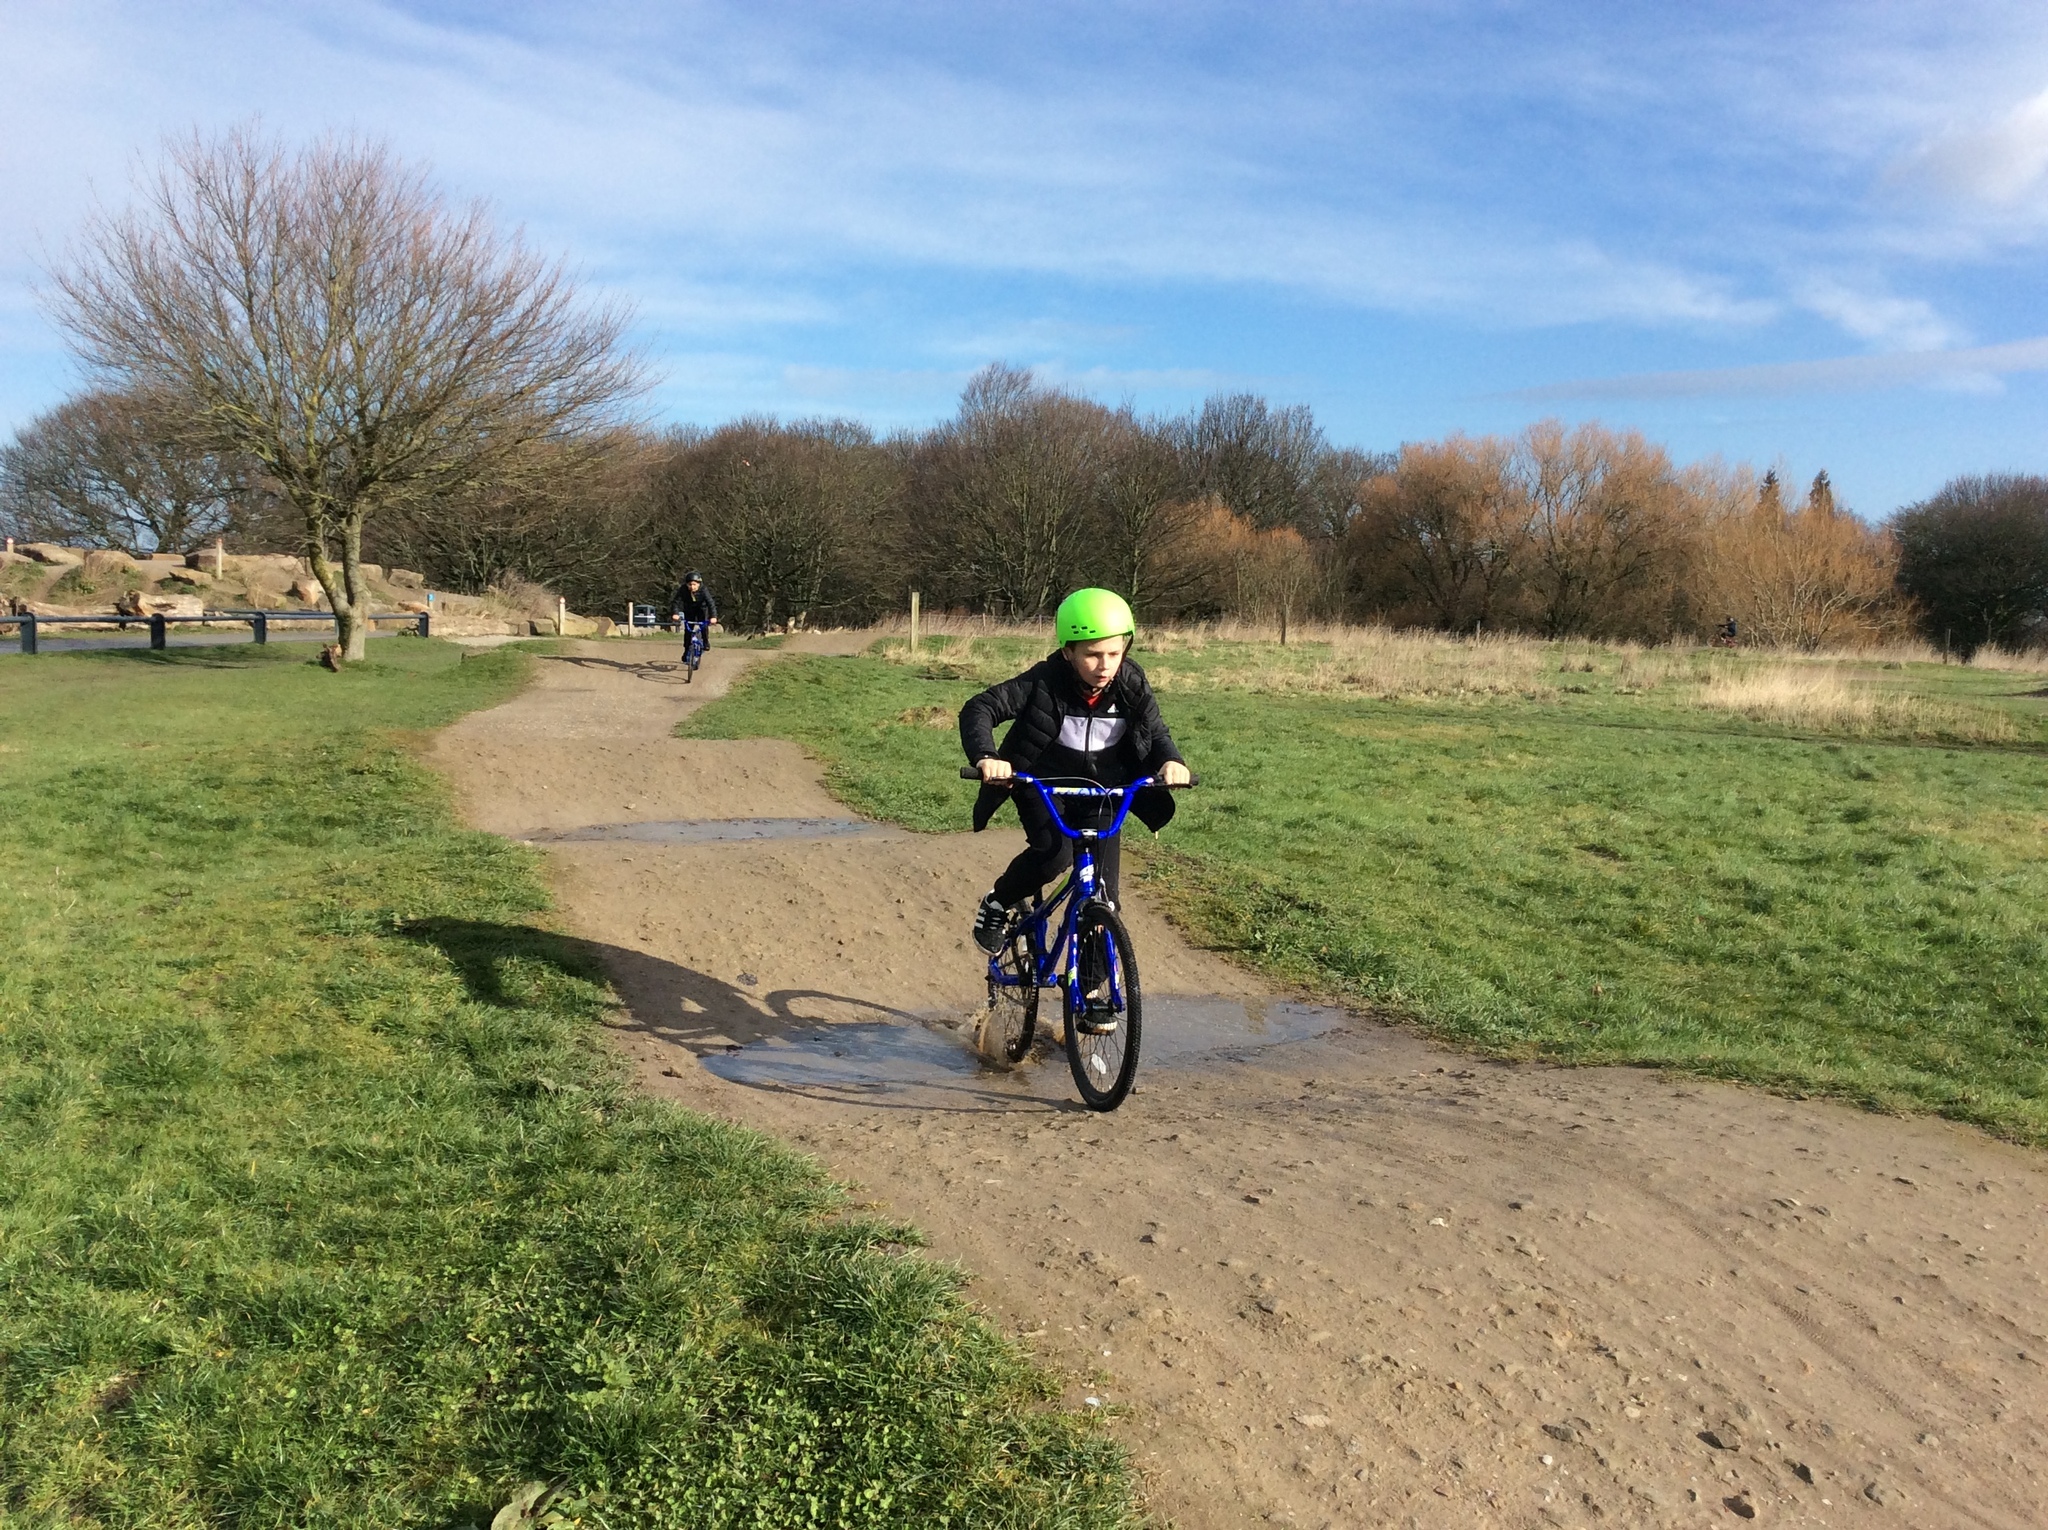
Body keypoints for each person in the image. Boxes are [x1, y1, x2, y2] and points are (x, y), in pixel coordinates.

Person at [959, 587, 1191, 953]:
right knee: (1055, 854)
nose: (1105, 666)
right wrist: (987, 756)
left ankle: (1096, 1005)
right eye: (1092, 655)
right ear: (1068, 652)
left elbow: (1155, 731)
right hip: (1044, 786)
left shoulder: (1131, 683)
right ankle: (998, 903)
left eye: (1115, 654)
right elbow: (980, 709)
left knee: (1105, 900)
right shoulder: (1043, 681)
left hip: (1105, 793)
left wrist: (1172, 762)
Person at [671, 571, 719, 655]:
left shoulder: (703, 590)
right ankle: (686, 650)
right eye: (690, 584)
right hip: (689, 610)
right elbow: (675, 602)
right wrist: (675, 613)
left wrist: (713, 616)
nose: (692, 587)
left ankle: (705, 641)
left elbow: (710, 603)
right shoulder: (683, 590)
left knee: (703, 626)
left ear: (699, 584)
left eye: (694, 584)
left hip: (701, 609)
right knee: (688, 630)